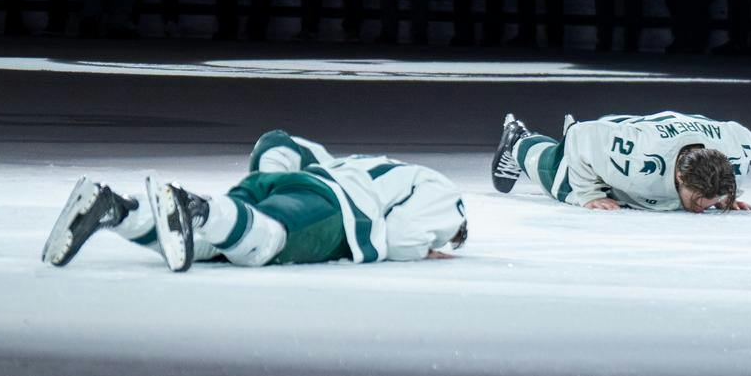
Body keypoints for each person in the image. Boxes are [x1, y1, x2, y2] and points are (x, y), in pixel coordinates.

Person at [43, 130, 468, 273]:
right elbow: (401, 235)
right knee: (264, 244)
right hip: (335, 208)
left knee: (210, 247)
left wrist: (266, 173)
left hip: (284, 183)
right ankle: (196, 206)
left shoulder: (355, 162)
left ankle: (115, 208)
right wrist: (424, 251)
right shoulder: (448, 196)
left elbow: (280, 140)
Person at [490, 110, 751, 212]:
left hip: (675, 132)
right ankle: (518, 139)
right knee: (558, 175)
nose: (705, 207)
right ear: (680, 176)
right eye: (700, 198)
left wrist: (723, 193)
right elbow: (581, 135)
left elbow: (749, 138)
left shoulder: (738, 157)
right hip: (616, 137)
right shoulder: (635, 157)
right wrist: (588, 193)